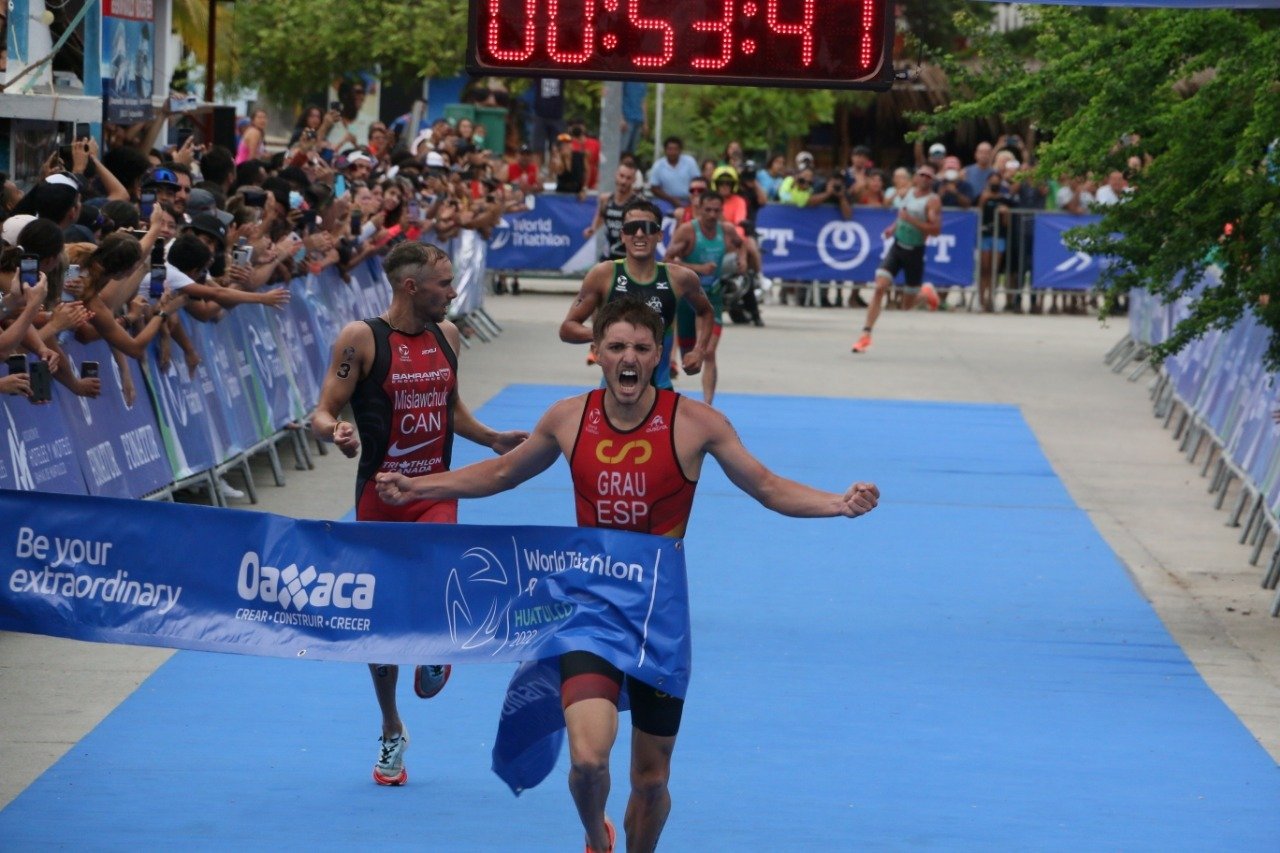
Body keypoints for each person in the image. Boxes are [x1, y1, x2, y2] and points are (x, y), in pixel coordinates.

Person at [374, 296, 880, 853]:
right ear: (595, 354)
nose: (628, 357)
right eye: (616, 346)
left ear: (657, 355)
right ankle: (596, 836)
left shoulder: (697, 424)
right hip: (588, 611)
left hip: (659, 619)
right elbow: (501, 472)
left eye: (640, 347)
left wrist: (837, 502)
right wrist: (419, 486)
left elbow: (767, 485)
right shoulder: (569, 418)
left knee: (651, 780)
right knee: (589, 761)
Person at [309, 241, 528, 787]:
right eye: (443, 284)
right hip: (378, 499)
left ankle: (434, 644)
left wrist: (492, 437)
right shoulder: (360, 340)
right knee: (379, 626)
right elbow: (322, 409)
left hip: (433, 489)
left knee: (437, 571)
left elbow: (450, 411)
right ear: (411, 287)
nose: (454, 292)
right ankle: (390, 729)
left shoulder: (447, 336)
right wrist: (334, 431)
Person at [559, 199, 713, 390]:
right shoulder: (603, 275)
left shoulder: (680, 278)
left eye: (647, 227)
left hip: (660, 389)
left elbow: (706, 311)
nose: (639, 234)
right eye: (632, 228)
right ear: (623, 235)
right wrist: (607, 335)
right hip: (612, 391)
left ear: (659, 235)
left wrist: (699, 351)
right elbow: (567, 329)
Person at [665, 190, 745, 406]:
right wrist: (699, 268)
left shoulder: (726, 230)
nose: (711, 214)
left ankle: (708, 405)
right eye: (707, 210)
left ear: (722, 211)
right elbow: (668, 261)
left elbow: (741, 243)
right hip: (688, 300)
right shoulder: (688, 232)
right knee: (690, 359)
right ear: (699, 209)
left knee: (708, 352)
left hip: (713, 298)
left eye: (716, 211)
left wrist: (742, 260)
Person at [851, 166, 942, 353]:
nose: (924, 178)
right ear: (916, 177)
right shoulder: (907, 193)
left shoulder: (932, 201)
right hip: (897, 247)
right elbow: (901, 216)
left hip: (915, 252)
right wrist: (892, 228)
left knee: (906, 306)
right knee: (879, 287)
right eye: (921, 175)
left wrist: (910, 220)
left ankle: (925, 293)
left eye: (928, 176)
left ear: (932, 180)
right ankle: (866, 334)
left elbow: (935, 230)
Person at [583, 162, 641, 261]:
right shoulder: (605, 199)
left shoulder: (639, 203)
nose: (623, 181)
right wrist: (592, 229)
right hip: (609, 255)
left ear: (634, 180)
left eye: (628, 178)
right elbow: (601, 215)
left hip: (629, 257)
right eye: (621, 176)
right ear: (616, 175)